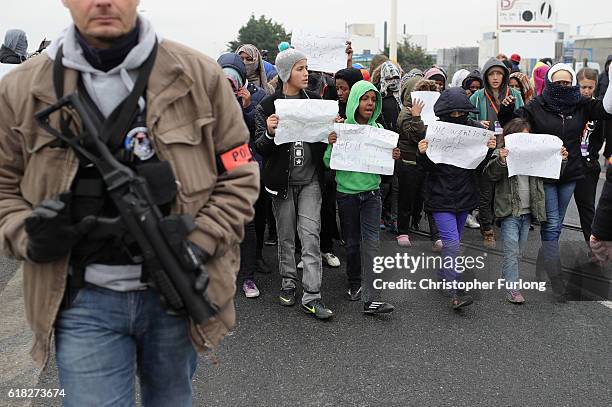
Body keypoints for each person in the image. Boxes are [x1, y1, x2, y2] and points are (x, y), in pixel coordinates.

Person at [0, 1, 259, 405]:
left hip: (174, 296)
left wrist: (199, 242)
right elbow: (3, 187)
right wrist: (26, 235)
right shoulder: (20, 88)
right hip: (82, 302)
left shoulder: (198, 76)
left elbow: (240, 172)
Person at [499, 63, 612, 300]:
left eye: (566, 83)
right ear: (550, 83)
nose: (562, 87)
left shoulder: (581, 104)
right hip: (545, 175)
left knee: (557, 225)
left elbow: (605, 110)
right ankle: (556, 278)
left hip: (570, 173)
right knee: (551, 227)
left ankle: (549, 264)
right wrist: (506, 110)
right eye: (557, 83)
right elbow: (514, 126)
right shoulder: (537, 106)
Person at [253, 48, 333, 320]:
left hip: (311, 181)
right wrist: (269, 132)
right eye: (300, 68)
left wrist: (334, 132)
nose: (306, 73)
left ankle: (312, 296)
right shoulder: (266, 106)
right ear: (286, 72)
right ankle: (288, 283)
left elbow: (324, 139)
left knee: (310, 237)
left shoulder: (315, 102)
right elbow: (260, 148)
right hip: (281, 183)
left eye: (306, 68)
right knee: (286, 237)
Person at [417, 87, 497, 309]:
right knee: (452, 244)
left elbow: (479, 165)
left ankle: (445, 272)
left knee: (454, 243)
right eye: (451, 113)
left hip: (464, 196)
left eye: (459, 113)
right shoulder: (434, 130)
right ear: (443, 112)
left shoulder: (474, 130)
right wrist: (421, 153)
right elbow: (425, 167)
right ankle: (456, 292)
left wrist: (489, 150)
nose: (456, 117)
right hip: (440, 196)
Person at [324, 79, 399, 313]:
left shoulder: (379, 131)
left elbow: (385, 166)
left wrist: (392, 155)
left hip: (372, 195)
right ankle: (354, 282)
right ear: (355, 101)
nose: (369, 103)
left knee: (372, 244)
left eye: (373, 99)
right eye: (365, 99)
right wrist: (332, 145)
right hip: (347, 196)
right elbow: (328, 162)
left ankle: (371, 294)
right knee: (353, 243)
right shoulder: (341, 129)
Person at [485, 118, 568, 304]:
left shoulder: (535, 156)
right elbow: (489, 174)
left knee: (519, 251)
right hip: (509, 212)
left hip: (528, 212)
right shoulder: (501, 153)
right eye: (520, 137)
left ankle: (508, 276)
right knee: (512, 250)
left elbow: (553, 175)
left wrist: (561, 160)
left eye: (527, 137)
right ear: (510, 137)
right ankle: (512, 289)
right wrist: (501, 161)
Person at [218, 53, 270, 298]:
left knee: (249, 224)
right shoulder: (210, 97)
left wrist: (247, 107)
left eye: (233, 76)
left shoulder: (257, 96)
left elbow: (257, 134)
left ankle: (248, 277)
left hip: (247, 169)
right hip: (218, 171)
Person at [470, 57, 524, 248]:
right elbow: (466, 120)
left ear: (504, 76)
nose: (495, 78)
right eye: (491, 74)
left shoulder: (515, 94)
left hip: (508, 149)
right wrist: (477, 124)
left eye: (499, 74)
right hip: (485, 151)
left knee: (507, 192)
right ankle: (487, 229)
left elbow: (522, 120)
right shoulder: (476, 97)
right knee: (485, 192)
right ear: (486, 76)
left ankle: (505, 224)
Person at [396, 78, 441, 250]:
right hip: (409, 162)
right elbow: (417, 136)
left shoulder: (434, 113)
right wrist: (417, 116)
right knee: (407, 198)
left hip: (428, 162)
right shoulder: (405, 114)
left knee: (430, 199)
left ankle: (436, 236)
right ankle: (403, 231)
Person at [572, 68, 605, 251]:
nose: (586, 91)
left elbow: (600, 137)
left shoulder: (599, 108)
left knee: (587, 209)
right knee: (556, 212)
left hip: (588, 165)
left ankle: (593, 248)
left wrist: (592, 155)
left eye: (590, 87)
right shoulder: (573, 106)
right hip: (569, 162)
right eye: (583, 87)